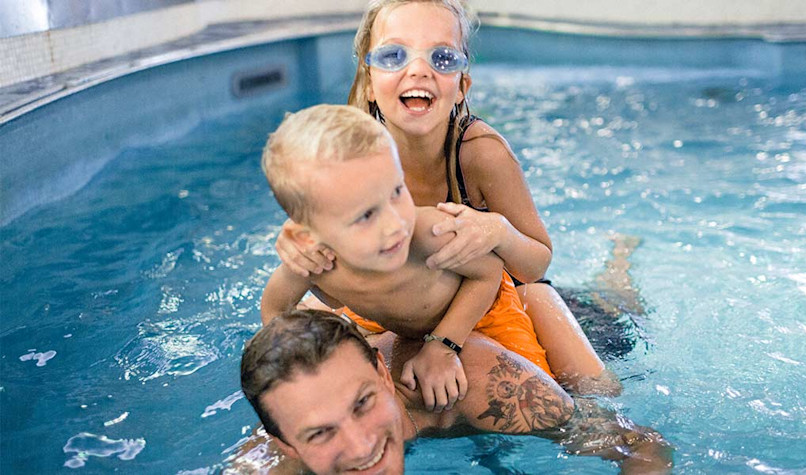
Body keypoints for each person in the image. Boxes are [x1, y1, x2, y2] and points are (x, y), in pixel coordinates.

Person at [273, 0, 612, 393]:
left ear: (461, 86)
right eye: (394, 55)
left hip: (488, 298)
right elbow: (315, 213)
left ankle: (617, 268)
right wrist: (296, 238)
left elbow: (535, 264)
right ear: (369, 81)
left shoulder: (481, 154)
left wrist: (499, 230)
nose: (418, 69)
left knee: (596, 393)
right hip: (406, 296)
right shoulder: (354, 152)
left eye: (443, 57)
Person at [260, 104, 555, 413]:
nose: (395, 223)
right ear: (308, 236)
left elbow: (489, 272)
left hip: (486, 313)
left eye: (397, 191)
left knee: (538, 400)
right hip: (392, 320)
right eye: (366, 214)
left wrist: (443, 345)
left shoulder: (427, 233)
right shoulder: (312, 261)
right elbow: (275, 310)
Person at [237, 308, 672, 474]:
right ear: (286, 444)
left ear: (384, 375)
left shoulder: (489, 386)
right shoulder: (278, 435)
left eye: (363, 403)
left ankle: (619, 262)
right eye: (320, 433)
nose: (360, 444)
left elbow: (641, 445)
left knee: (603, 383)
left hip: (545, 324)